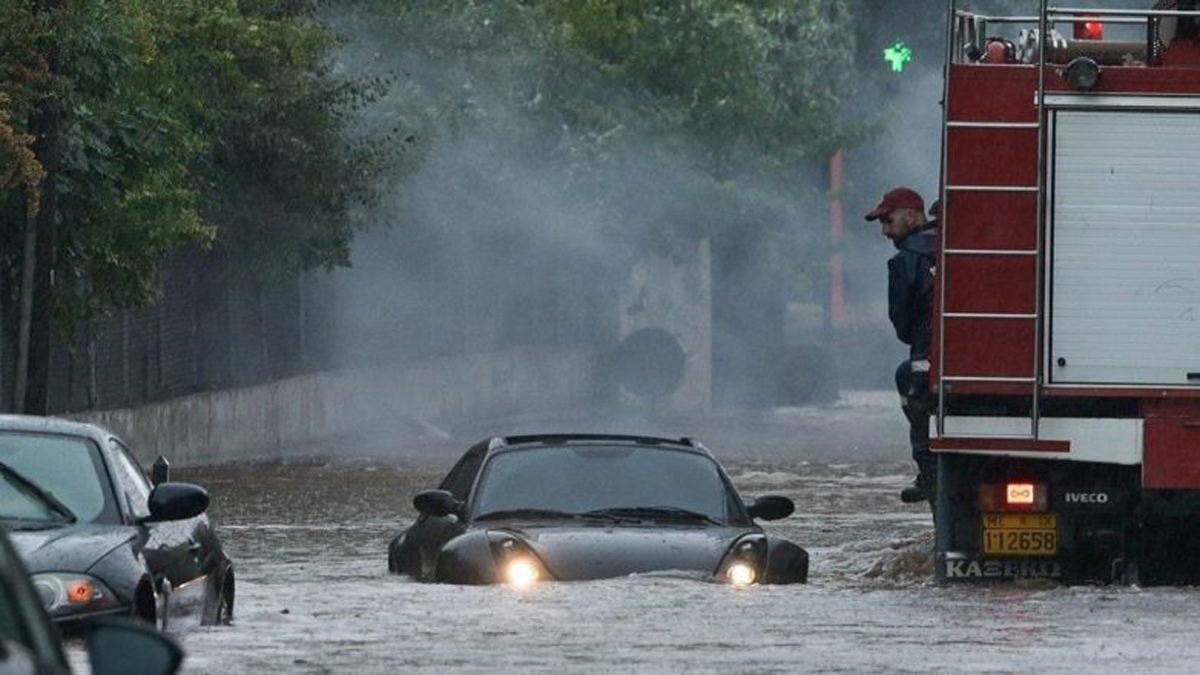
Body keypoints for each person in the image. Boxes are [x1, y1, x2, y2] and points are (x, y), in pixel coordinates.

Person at [865, 187, 939, 504]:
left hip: (927, 354)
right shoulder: (957, 245)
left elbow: (902, 323)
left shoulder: (905, 261)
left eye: (888, 221)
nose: (885, 231)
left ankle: (930, 475)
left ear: (912, 215)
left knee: (910, 384)